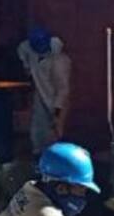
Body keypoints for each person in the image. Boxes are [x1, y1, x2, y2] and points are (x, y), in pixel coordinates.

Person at [16, 25, 72, 157]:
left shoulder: (59, 61)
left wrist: (57, 113)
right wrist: (27, 68)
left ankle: (54, 161)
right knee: (37, 131)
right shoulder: (29, 50)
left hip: (57, 101)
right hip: (40, 96)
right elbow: (23, 53)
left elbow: (63, 89)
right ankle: (37, 158)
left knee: (55, 134)